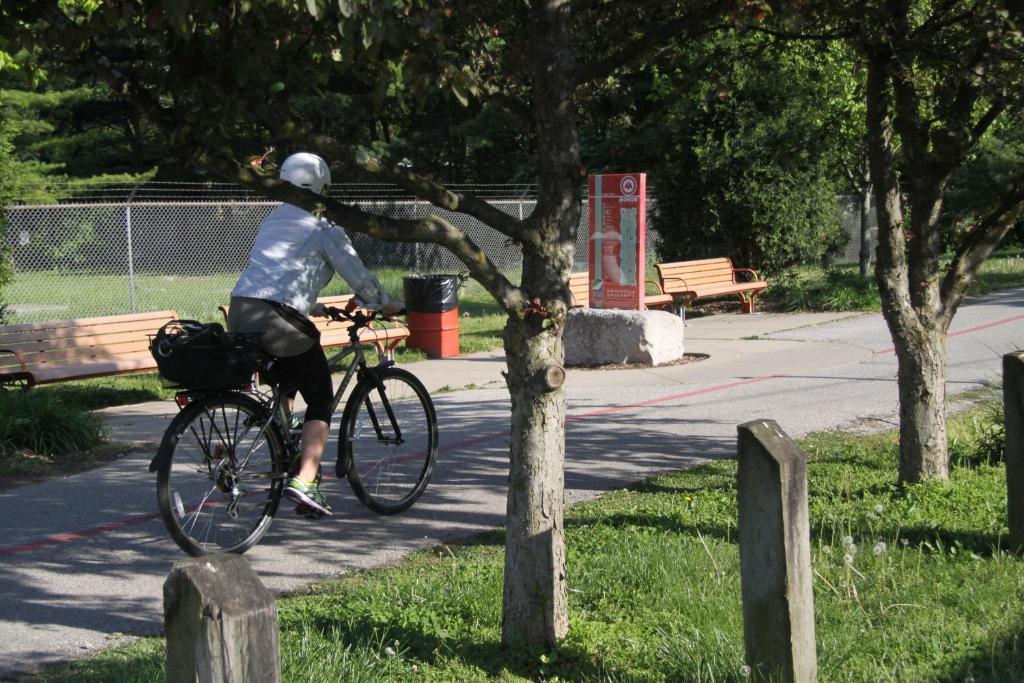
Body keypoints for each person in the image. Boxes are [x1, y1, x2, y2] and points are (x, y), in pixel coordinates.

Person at [227, 152, 403, 517]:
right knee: (321, 393)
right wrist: (384, 303)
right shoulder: (323, 227)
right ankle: (305, 479)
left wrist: (311, 305)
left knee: (288, 374)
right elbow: (358, 274)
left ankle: (283, 444)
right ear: (322, 186)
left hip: (242, 310)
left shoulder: (273, 219)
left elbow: (277, 273)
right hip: (278, 318)